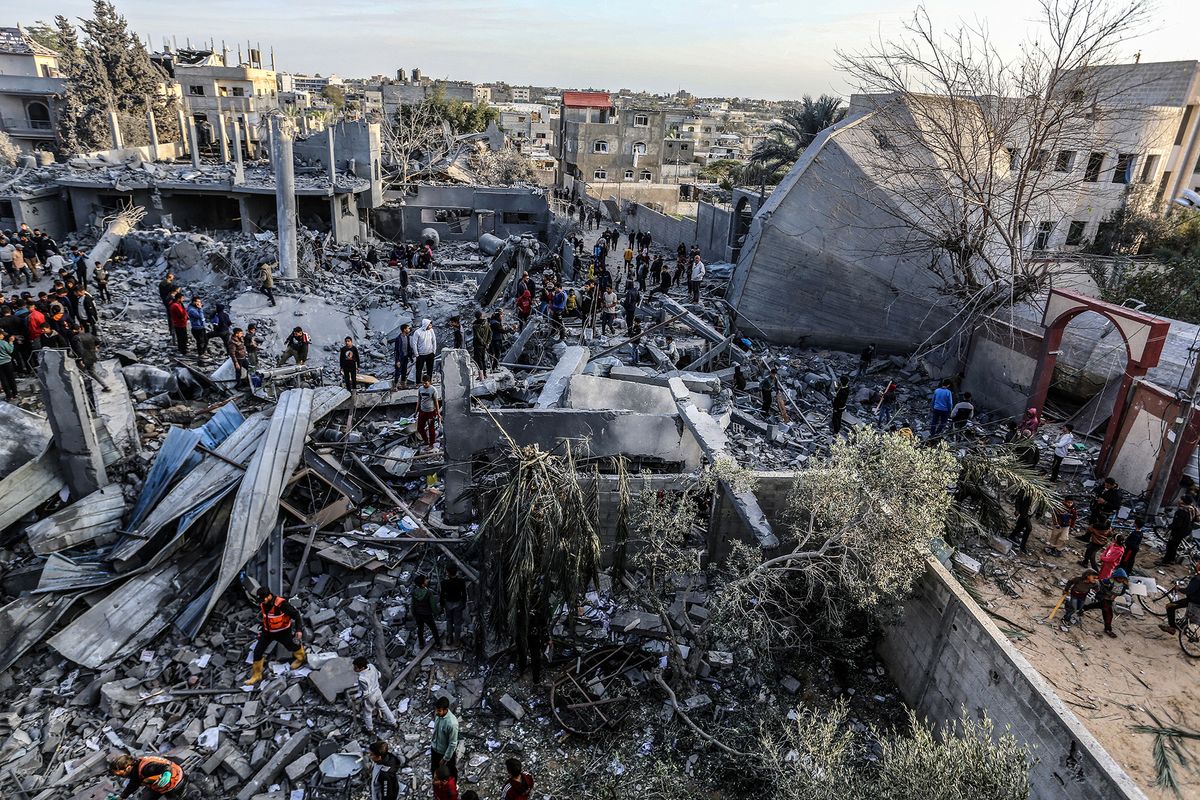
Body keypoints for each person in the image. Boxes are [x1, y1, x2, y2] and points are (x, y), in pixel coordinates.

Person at [244, 584, 305, 685]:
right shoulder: (263, 603)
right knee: (258, 651)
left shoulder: (282, 604)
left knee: (292, 646)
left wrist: (299, 630)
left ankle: (301, 658)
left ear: (268, 596)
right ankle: (257, 675)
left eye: (263, 600)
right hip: (267, 633)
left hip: (283, 632)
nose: (261, 603)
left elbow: (296, 615)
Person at [108, 753, 189, 798]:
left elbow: (166, 767)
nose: (121, 777)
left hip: (176, 782)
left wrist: (167, 774)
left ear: (128, 768)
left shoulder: (146, 768)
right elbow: (134, 783)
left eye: (121, 774)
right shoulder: (136, 768)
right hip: (158, 783)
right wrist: (121, 797)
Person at [353, 656, 397, 734]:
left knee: (367, 713)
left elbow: (365, 693)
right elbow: (379, 675)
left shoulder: (362, 678)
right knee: (384, 707)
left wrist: (356, 697)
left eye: (356, 667)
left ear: (362, 668)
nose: (354, 669)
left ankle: (370, 729)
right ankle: (394, 723)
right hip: (377, 691)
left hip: (370, 697)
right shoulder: (371, 666)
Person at [1082, 568, 1128, 638]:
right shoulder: (1109, 581)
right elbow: (1100, 584)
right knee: (1108, 613)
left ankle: (1082, 609)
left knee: (1098, 606)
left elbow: (1121, 592)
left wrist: (1114, 596)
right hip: (1104, 598)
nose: (1120, 580)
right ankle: (1108, 629)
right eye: (1119, 578)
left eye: (1122, 578)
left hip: (1110, 599)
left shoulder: (1123, 585)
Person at [1159, 557, 1200, 634]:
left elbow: (1188, 591)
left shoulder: (1198, 579)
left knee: (1170, 606)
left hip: (1194, 601)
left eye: (1199, 563)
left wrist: (1179, 589)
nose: (1197, 564)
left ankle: (1172, 628)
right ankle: (1182, 625)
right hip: (1197, 601)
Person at [1160, 495, 1198, 565]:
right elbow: (1194, 520)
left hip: (1179, 532)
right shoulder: (1192, 509)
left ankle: (1165, 561)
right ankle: (1172, 559)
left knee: (1170, 546)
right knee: (1175, 546)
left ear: (1183, 501)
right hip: (1187, 530)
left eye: (1180, 499)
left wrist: (1169, 526)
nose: (1179, 500)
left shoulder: (1181, 511)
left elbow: (1177, 524)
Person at [430, 696, 459, 778]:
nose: (436, 712)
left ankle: (452, 789)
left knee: (450, 773)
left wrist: (445, 758)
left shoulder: (452, 723)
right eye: (436, 710)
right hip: (435, 749)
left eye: (439, 711)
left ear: (446, 709)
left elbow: (453, 743)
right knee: (434, 770)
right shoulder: (438, 716)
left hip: (444, 753)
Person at [412, 574, 441, 648]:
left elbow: (413, 604)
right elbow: (433, 605)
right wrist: (436, 613)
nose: (427, 581)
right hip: (427, 614)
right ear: (422, 583)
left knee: (420, 629)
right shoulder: (428, 593)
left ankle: (421, 644)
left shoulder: (414, 592)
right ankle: (438, 644)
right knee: (433, 629)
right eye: (425, 580)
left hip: (418, 613)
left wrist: (414, 613)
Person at [442, 564, 467, 644]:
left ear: (448, 572)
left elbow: (442, 594)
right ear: (456, 572)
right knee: (457, 623)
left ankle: (450, 638)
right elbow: (464, 593)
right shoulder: (461, 582)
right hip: (458, 603)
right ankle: (457, 640)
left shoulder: (444, 583)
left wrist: (442, 603)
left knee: (449, 621)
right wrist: (464, 603)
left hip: (448, 604)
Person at [417, 376, 440, 450]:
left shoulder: (433, 390)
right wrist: (416, 410)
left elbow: (436, 402)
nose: (424, 385)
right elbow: (419, 400)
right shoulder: (420, 389)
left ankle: (431, 444)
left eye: (426, 383)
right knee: (420, 428)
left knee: (431, 429)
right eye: (423, 383)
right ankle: (426, 440)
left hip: (431, 412)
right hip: (422, 411)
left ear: (429, 382)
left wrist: (438, 413)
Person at [1012, 488, 1035, 553]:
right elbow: (1018, 499)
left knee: (1020, 525)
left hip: (1030, 512)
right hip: (1024, 512)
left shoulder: (1042, 492)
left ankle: (1012, 536)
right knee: (1029, 528)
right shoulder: (1026, 489)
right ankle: (1022, 546)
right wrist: (1017, 509)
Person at [414, 319, 437, 383]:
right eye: (429, 325)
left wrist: (434, 351)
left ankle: (429, 381)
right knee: (419, 369)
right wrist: (416, 354)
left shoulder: (431, 331)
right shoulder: (417, 332)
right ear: (426, 325)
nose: (431, 326)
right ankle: (418, 382)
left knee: (430, 369)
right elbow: (414, 343)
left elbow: (434, 340)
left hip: (430, 353)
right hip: (421, 354)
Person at [186, 297, 209, 362]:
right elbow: (200, 316)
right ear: (194, 302)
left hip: (201, 327)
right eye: (198, 302)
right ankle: (200, 354)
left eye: (200, 302)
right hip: (197, 328)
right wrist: (200, 308)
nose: (199, 303)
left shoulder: (195, 308)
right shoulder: (191, 310)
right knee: (200, 341)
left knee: (205, 340)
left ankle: (203, 352)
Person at [471, 311, 490, 379]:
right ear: (481, 316)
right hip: (484, 346)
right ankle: (485, 374)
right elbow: (490, 333)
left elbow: (477, 336)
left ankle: (481, 375)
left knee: (478, 360)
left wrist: (484, 343)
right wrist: (487, 343)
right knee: (483, 359)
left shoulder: (475, 326)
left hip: (477, 345)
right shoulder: (486, 324)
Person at [393, 323, 413, 389]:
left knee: (404, 371)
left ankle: (403, 384)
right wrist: (397, 360)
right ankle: (395, 385)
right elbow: (396, 350)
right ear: (404, 329)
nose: (409, 329)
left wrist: (410, 357)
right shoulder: (398, 339)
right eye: (407, 328)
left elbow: (408, 348)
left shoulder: (407, 337)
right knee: (398, 371)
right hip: (400, 358)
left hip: (405, 357)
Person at [0, 331, 14, 400]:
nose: (3, 336)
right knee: (10, 378)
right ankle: (15, 393)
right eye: (2, 334)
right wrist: (11, 342)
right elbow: (10, 350)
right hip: (7, 362)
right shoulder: (4, 343)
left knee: (3, 380)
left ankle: (8, 395)